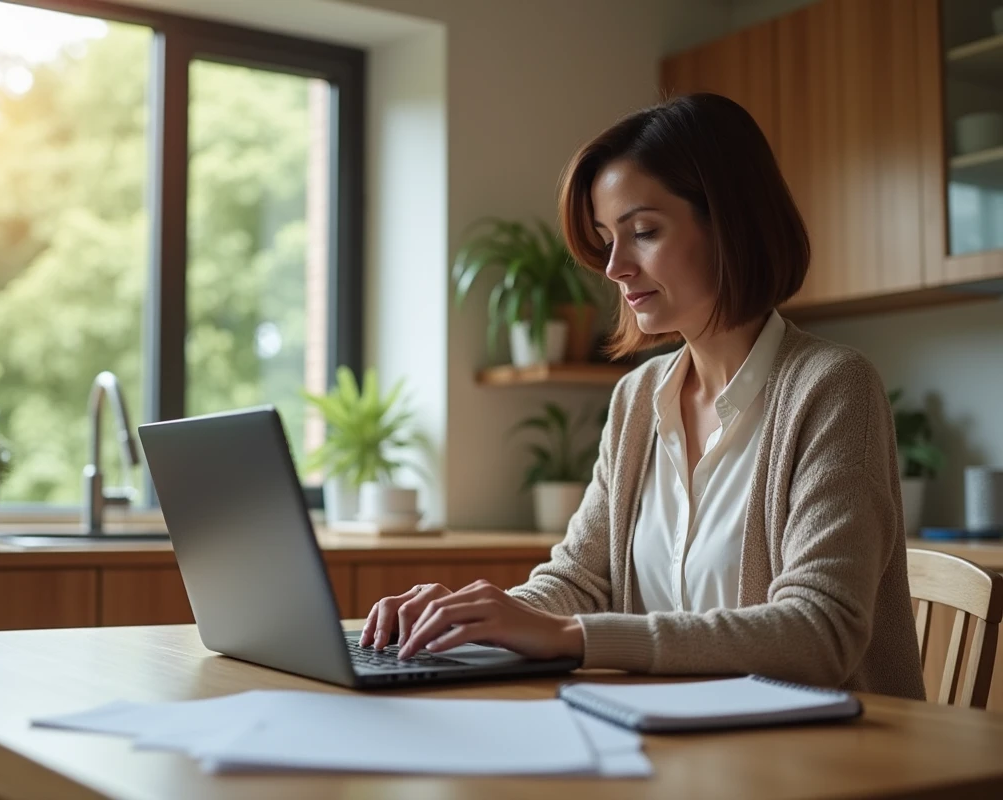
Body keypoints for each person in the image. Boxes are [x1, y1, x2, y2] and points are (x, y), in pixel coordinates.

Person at [360, 93, 926, 699]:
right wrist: (471, 619)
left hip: (831, 749)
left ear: (730, 224)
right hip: (672, 736)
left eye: (644, 232)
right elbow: (578, 580)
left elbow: (819, 634)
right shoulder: (638, 398)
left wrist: (573, 637)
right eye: (607, 239)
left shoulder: (833, 387)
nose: (614, 266)